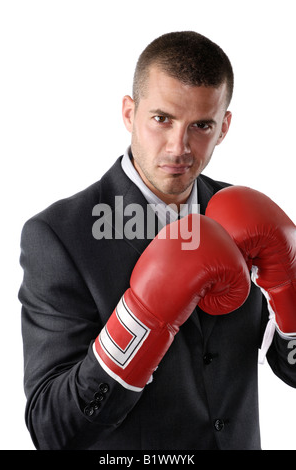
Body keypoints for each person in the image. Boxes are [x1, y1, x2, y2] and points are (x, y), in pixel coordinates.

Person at [19, 31, 296, 451]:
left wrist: (290, 292)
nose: (179, 147)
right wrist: (137, 326)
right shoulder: (60, 235)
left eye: (201, 125)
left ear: (224, 127)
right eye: (162, 118)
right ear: (129, 113)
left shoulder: (245, 217)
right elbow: (52, 430)